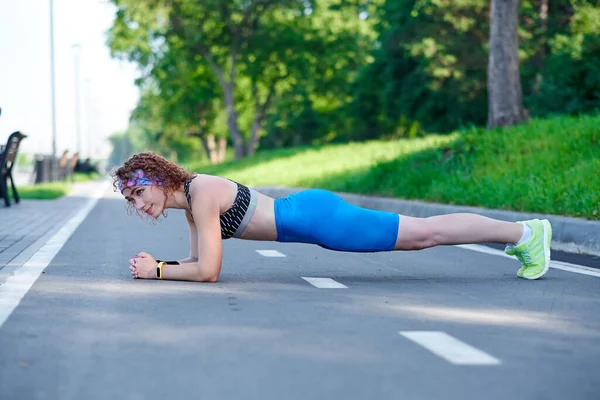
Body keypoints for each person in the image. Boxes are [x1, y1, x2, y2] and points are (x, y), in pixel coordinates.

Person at [112, 152, 552, 283]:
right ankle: (523, 234)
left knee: (424, 233)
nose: (138, 204)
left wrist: (158, 273)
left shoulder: (202, 192)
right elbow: (196, 263)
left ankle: (525, 233)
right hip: (313, 217)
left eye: (137, 192)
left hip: (320, 219)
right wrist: (163, 266)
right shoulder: (192, 201)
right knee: (422, 234)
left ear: (156, 178)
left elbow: (208, 272)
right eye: (130, 201)